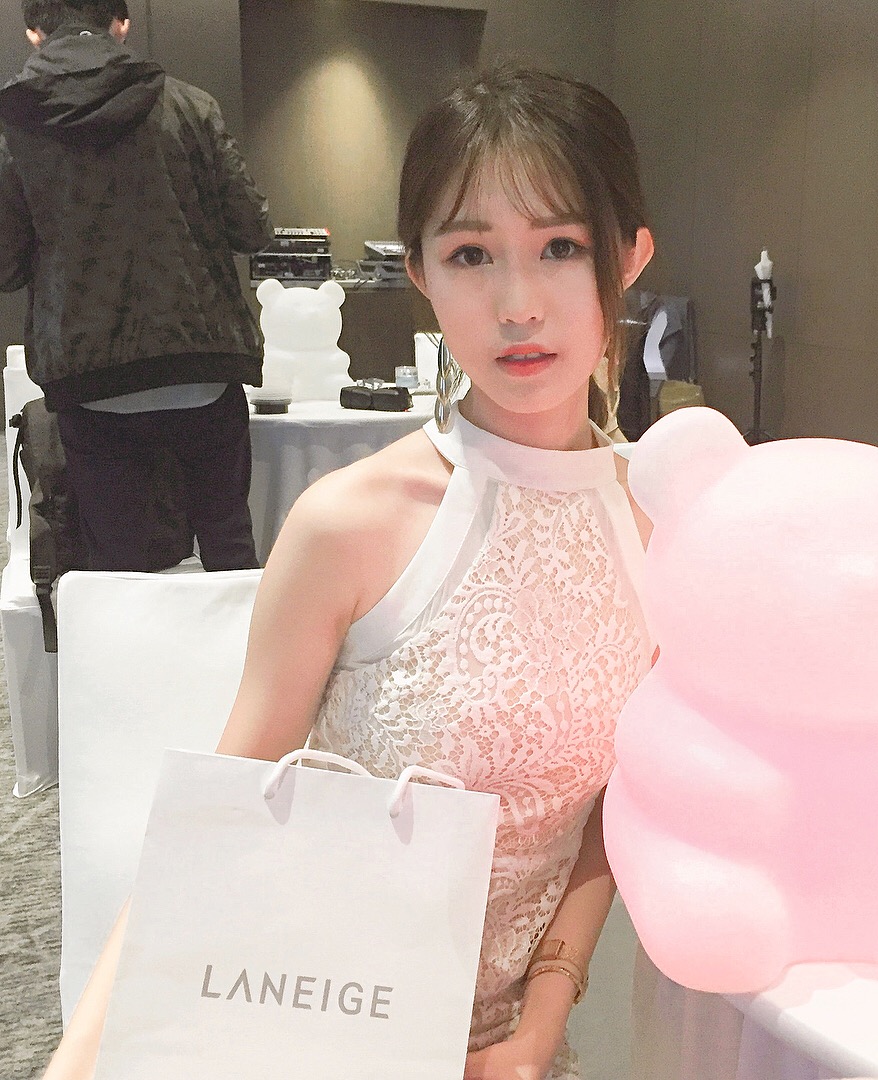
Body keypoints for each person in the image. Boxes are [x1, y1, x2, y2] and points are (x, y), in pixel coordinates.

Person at [45, 64, 656, 1080]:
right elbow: (215, 823)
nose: (517, 304)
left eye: (562, 247)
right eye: (470, 254)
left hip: (513, 1054)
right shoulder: (352, 522)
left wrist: (542, 1022)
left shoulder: (662, 525)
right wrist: (79, 1058)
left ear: (630, 256)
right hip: (320, 1031)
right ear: (419, 271)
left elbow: (620, 807)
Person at [0, 0, 273, 572]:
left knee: (117, 564)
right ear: (121, 26)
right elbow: (252, 227)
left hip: (90, 373)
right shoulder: (190, 105)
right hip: (202, 361)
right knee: (228, 544)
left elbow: (7, 266)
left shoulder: (14, 124)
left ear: (34, 33)